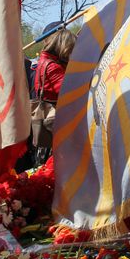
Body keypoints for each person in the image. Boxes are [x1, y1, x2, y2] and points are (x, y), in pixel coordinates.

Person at [30, 24, 76, 164]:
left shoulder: (46, 62)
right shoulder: (52, 66)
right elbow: (71, 92)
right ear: (62, 47)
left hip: (50, 123)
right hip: (54, 124)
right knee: (53, 168)